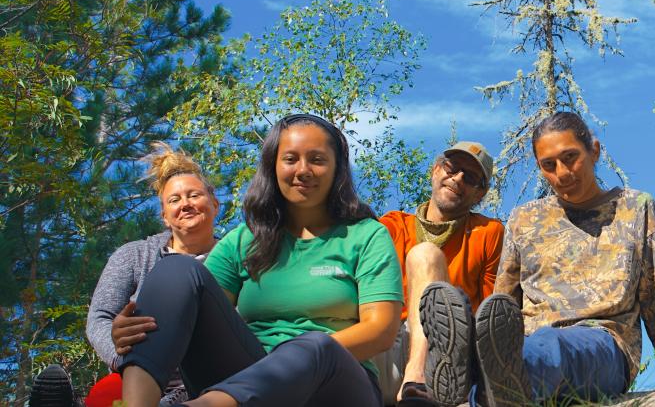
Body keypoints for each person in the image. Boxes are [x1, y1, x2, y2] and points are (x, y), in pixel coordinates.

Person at [115, 113, 403, 407]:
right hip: (251, 377)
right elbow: (193, 305)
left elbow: (380, 331)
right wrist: (136, 328)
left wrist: (293, 362)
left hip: (337, 385)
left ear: (336, 169)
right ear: (273, 167)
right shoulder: (244, 240)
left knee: (315, 344)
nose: (303, 170)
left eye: (317, 159)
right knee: (175, 269)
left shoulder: (366, 235)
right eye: (290, 159)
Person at [462, 111, 655, 405]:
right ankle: (480, 376)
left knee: (551, 348)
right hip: (529, 340)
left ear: (594, 151)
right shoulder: (524, 219)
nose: (562, 173)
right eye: (549, 165)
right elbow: (503, 305)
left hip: (605, 344)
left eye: (570, 157)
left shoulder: (635, 207)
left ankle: (480, 372)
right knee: (519, 353)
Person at [85, 143, 221, 405]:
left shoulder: (239, 259)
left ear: (214, 204)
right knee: (104, 395)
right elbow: (100, 317)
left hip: (217, 374)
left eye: (194, 195)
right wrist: (122, 354)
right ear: (165, 217)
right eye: (174, 200)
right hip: (144, 372)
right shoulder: (134, 256)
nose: (185, 205)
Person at [372, 142, 504, 406]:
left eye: (470, 177)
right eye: (452, 168)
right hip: (390, 347)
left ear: (480, 193)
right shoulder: (392, 226)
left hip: (447, 356)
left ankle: (419, 378)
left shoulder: (488, 233)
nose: (457, 179)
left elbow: (491, 310)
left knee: (426, 256)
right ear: (435, 170)